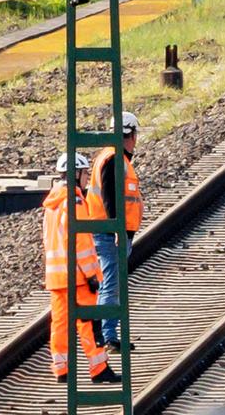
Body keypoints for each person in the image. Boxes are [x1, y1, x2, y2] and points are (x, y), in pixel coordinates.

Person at [44, 152, 117, 385]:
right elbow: (82, 242)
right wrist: (92, 274)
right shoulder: (74, 202)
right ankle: (99, 368)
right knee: (90, 323)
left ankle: (61, 369)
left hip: (56, 277)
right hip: (77, 277)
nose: (87, 179)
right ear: (75, 174)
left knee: (60, 325)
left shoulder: (52, 203)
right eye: (85, 173)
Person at [83, 111, 143, 352]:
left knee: (112, 284)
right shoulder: (114, 158)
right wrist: (116, 226)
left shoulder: (115, 158)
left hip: (112, 232)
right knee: (111, 284)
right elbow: (110, 195)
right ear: (131, 134)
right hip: (109, 233)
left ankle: (106, 333)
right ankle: (106, 335)